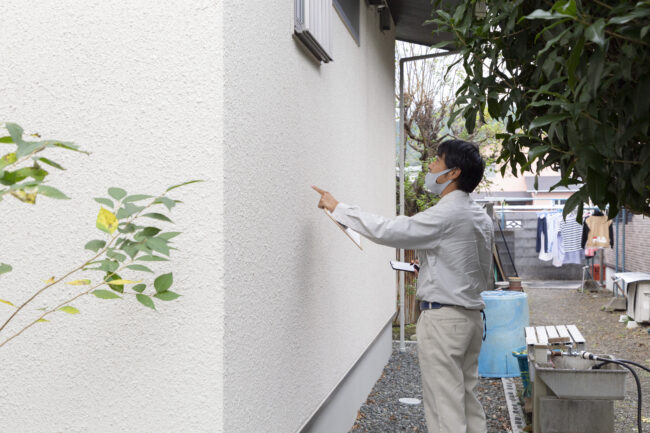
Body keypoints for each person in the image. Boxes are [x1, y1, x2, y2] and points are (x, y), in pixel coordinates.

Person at [312, 139, 493, 433]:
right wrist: (431, 271)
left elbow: (392, 230)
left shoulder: (447, 214)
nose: (431, 166)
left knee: (445, 408)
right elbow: (472, 268)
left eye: (437, 161)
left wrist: (339, 208)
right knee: (467, 401)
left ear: (453, 173)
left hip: (444, 321)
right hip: (470, 318)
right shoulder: (479, 216)